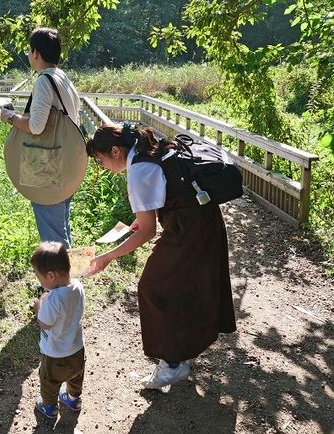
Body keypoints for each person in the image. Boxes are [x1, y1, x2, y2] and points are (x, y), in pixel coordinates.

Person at [85, 122, 236, 389]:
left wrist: (107, 256)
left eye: (100, 160)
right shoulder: (148, 150)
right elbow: (163, 196)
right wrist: (140, 220)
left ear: (116, 151)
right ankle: (182, 352)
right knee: (186, 284)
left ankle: (172, 365)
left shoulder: (139, 170)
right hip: (202, 218)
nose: (103, 166)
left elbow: (147, 232)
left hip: (188, 229)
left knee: (153, 287)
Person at [0, 27, 81, 249]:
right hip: (66, 161)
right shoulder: (63, 78)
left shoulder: (44, 81)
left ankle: (58, 282)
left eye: (29, 50)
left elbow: (36, 127)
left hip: (47, 166)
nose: (28, 55)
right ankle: (65, 278)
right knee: (61, 227)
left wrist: (10, 117)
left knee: (53, 236)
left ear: (36, 53)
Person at [31, 241, 85, 423]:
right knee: (76, 375)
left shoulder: (53, 299)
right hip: (77, 348)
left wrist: (39, 306)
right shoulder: (77, 286)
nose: (40, 282)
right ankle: (73, 399)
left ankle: (49, 407)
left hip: (55, 354)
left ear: (51, 276)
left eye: (40, 278)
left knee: (49, 381)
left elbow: (44, 324)